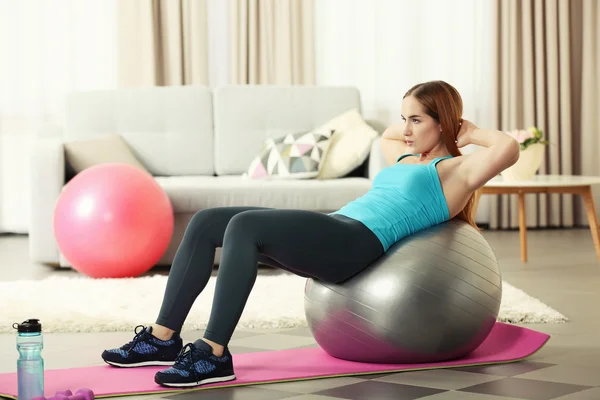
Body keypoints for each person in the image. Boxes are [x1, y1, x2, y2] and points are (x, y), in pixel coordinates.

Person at [101, 80, 520, 388]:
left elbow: (507, 149)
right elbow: (389, 135)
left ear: (443, 123)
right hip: (338, 224)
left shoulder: (454, 173)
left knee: (244, 226)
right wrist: (420, 127)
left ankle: (213, 353)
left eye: (417, 119)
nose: (406, 128)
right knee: (208, 220)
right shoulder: (408, 155)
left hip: (357, 243)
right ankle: (161, 339)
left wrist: (466, 130)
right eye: (404, 117)